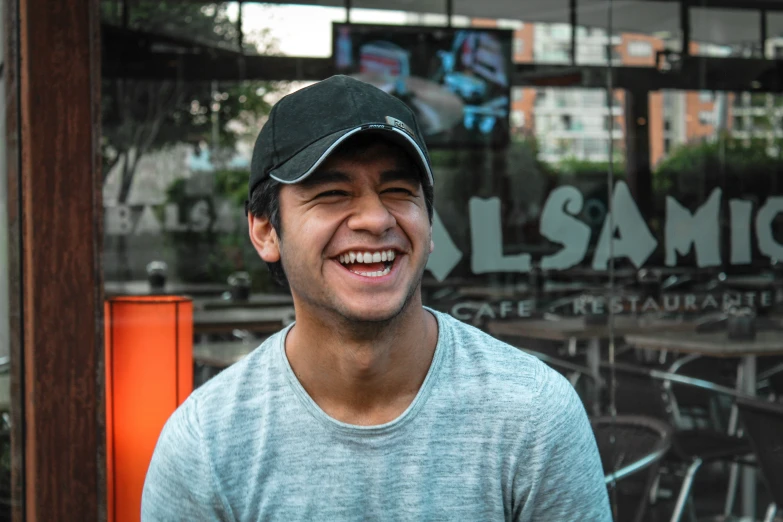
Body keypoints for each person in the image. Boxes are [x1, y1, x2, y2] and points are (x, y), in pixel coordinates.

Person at [142, 75, 611, 521]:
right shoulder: (207, 446)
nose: (375, 218)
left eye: (398, 191)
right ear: (265, 230)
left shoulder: (533, 415)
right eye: (331, 193)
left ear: (429, 227)